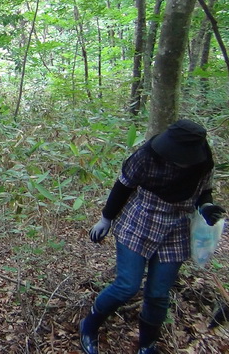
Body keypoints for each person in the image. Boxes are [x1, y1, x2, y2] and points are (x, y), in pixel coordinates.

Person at [80, 119, 226, 354]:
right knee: (127, 286)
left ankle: (147, 344)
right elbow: (123, 186)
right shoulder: (147, 156)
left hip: (176, 228)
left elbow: (204, 192)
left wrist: (206, 207)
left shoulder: (203, 161)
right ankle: (89, 325)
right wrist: (106, 218)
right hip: (140, 221)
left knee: (158, 294)